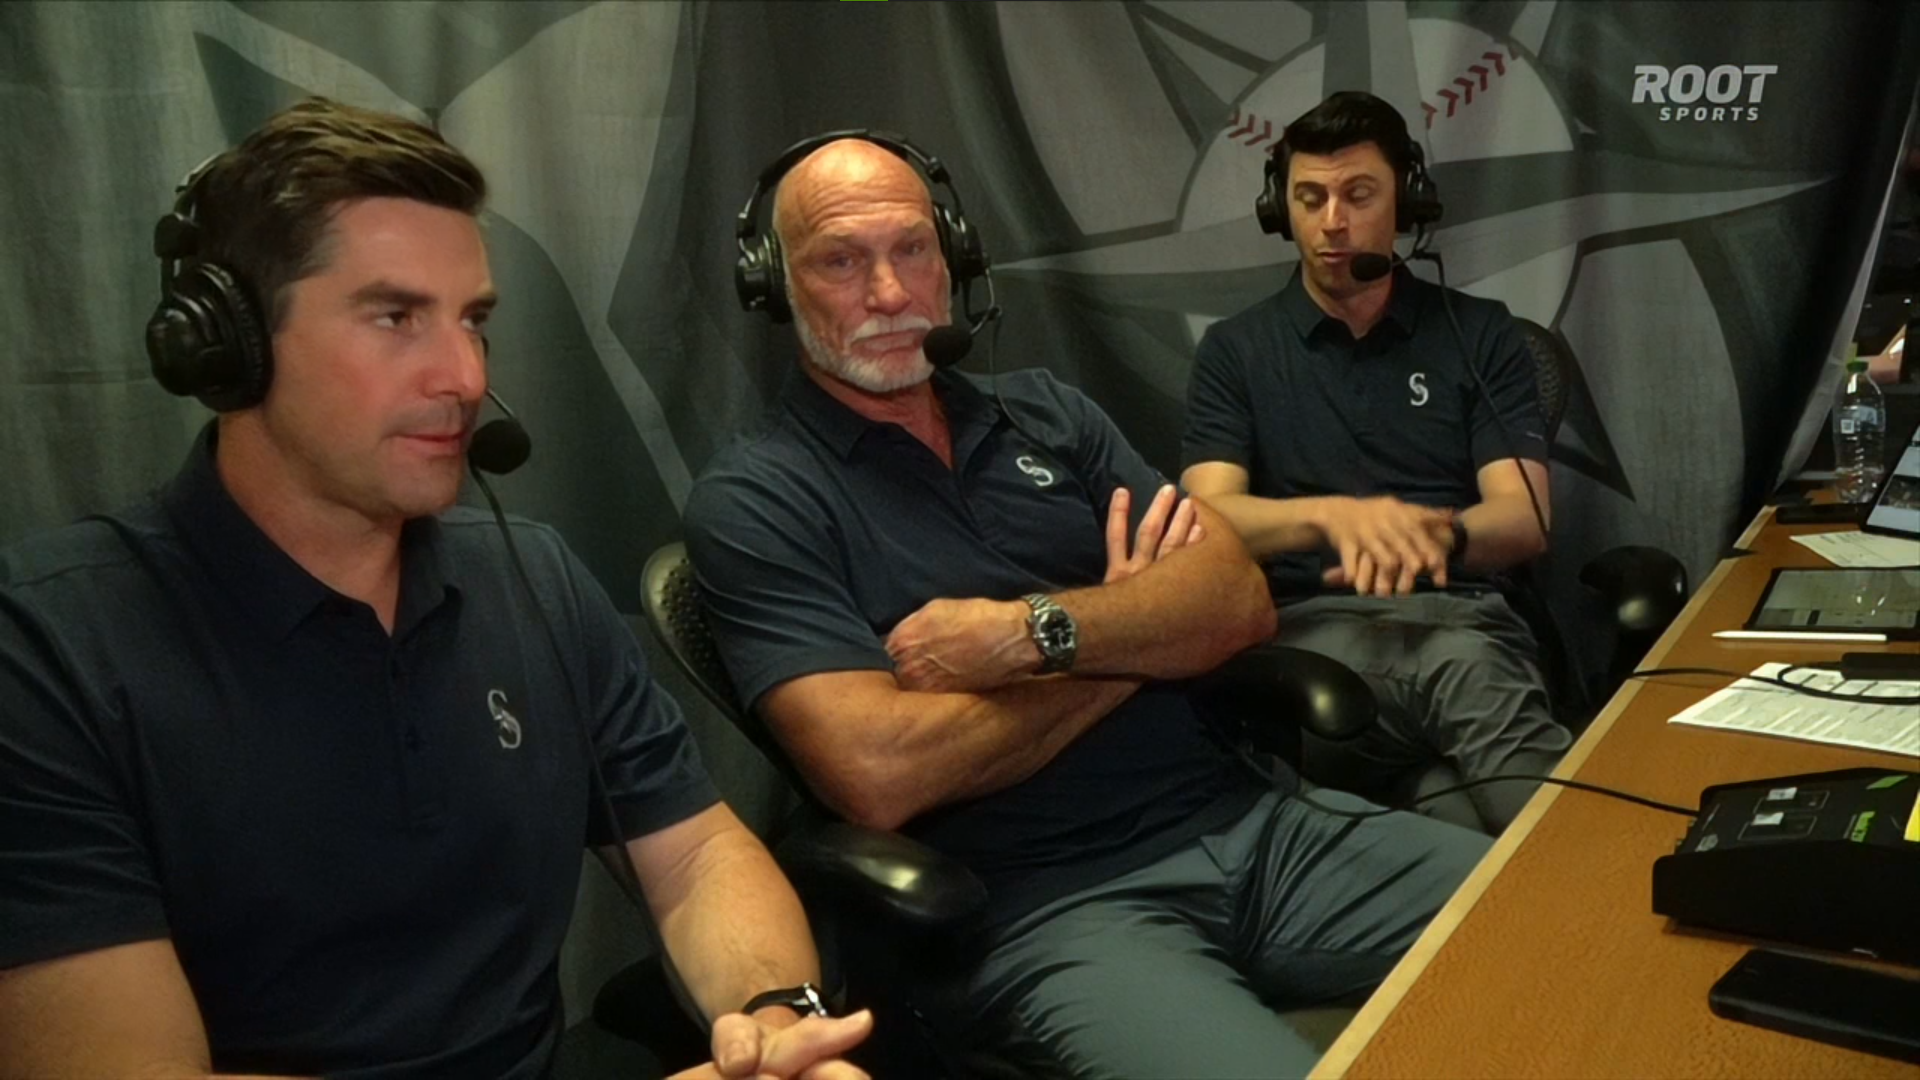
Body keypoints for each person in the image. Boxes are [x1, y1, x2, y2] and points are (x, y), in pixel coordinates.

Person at [0, 98, 869, 1080]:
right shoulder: (48, 650)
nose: (464, 376)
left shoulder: (533, 579)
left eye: (473, 321)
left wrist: (775, 1026)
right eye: (395, 317)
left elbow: (698, 856)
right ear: (228, 344)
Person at [683, 133, 1490, 1079]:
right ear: (773, 284)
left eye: (912, 249)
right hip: (1053, 911)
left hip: (1258, 827)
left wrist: (1032, 635)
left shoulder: (1046, 412)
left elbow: (1237, 596)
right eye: (841, 262)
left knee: (1578, 909)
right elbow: (881, 771)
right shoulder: (758, 499)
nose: (892, 293)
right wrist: (1139, 631)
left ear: (954, 256)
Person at [1181, 91, 1572, 834]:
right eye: (1310, 198)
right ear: (1280, 208)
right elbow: (1209, 516)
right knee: (1461, 671)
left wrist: (1437, 536)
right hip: (1309, 635)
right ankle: (1616, 885)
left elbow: (1525, 519)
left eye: (1358, 196)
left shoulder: (1479, 333)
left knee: (1458, 812)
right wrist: (1335, 519)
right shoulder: (1236, 350)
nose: (1332, 221)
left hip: (1464, 615)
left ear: (1407, 203)